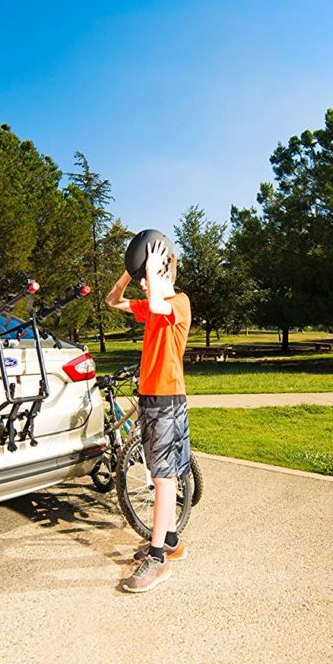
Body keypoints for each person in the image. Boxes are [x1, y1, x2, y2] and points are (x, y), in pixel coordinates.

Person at [105, 238, 192, 593]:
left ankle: (157, 558)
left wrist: (157, 273)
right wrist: (130, 271)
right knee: (162, 475)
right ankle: (169, 540)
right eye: (143, 276)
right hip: (154, 397)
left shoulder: (178, 303)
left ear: (167, 271)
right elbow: (112, 301)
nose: (144, 281)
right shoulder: (150, 305)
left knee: (163, 478)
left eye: (149, 274)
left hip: (167, 398)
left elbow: (158, 301)